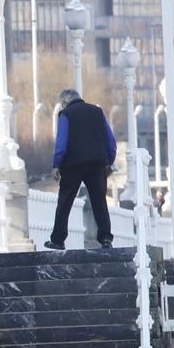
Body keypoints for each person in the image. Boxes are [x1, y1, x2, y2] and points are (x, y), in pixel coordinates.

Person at [46, 87, 117, 250]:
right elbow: (111, 141)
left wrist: (56, 164)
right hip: (97, 163)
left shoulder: (66, 115)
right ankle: (105, 238)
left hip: (73, 164)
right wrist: (108, 161)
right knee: (99, 201)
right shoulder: (97, 112)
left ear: (64, 102)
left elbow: (61, 143)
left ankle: (58, 240)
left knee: (65, 201)